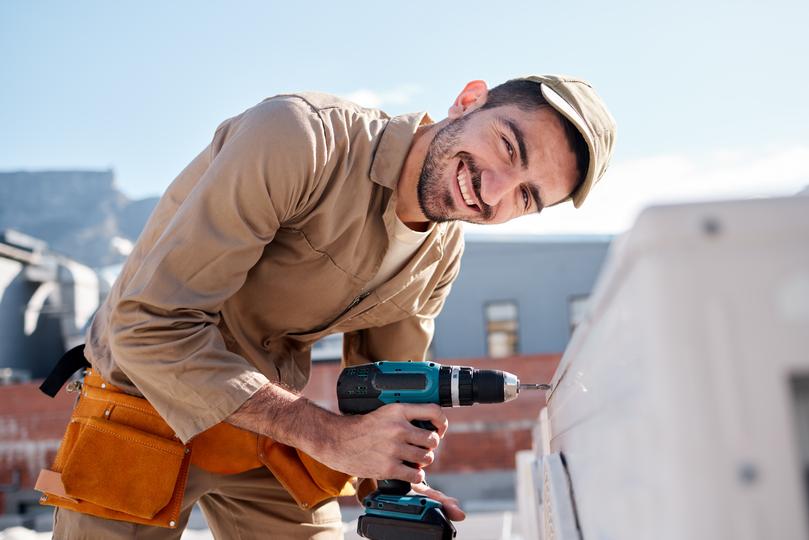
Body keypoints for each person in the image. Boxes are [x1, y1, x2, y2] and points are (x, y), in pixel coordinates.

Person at [42, 74, 616, 539]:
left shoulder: (439, 254)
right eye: (507, 147)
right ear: (469, 100)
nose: (491, 192)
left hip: (268, 430)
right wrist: (327, 435)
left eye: (526, 195)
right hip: (144, 402)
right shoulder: (300, 138)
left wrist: (395, 485)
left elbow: (385, 387)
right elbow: (145, 328)